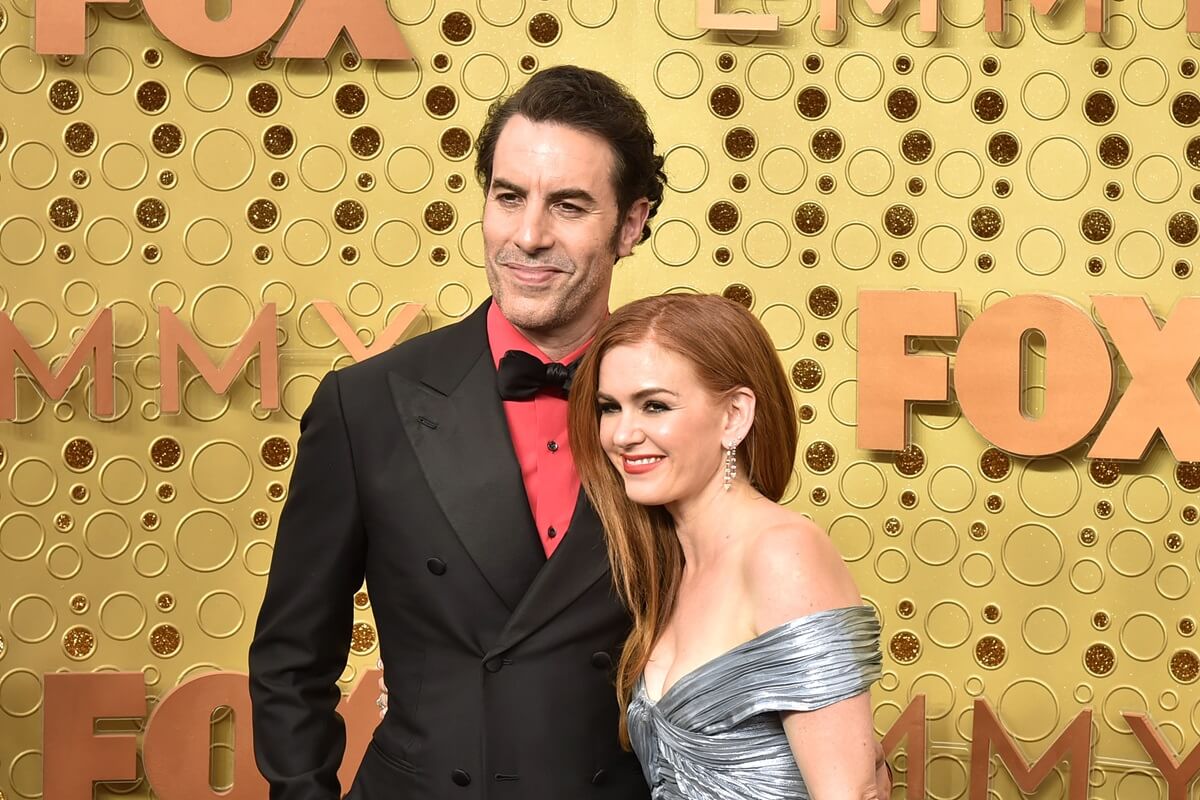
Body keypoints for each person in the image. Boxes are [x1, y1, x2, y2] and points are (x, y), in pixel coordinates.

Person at [250, 65, 889, 800]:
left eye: (570, 206)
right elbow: (292, 661)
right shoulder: (363, 404)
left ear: (632, 222)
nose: (528, 235)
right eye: (508, 196)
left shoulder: (684, 428)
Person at [566, 293, 884, 798]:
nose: (622, 434)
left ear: (734, 415)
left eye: (655, 405)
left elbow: (851, 793)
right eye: (610, 407)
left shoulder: (781, 553)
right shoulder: (668, 564)